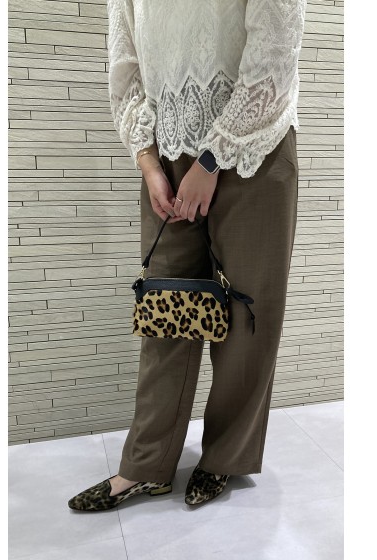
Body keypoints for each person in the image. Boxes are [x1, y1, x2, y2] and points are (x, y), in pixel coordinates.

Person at [68, 0, 307, 511]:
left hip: (253, 145)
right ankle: (145, 466)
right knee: (166, 312)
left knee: (247, 317)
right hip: (167, 151)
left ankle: (224, 457)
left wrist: (213, 159)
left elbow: (275, 49)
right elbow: (125, 64)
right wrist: (148, 163)